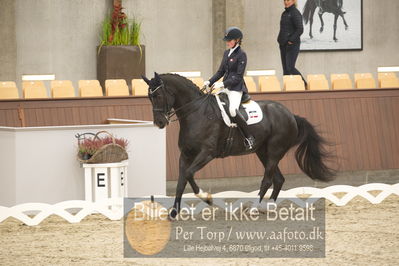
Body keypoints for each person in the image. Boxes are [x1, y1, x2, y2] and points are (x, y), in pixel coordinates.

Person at [204, 27, 255, 150]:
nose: (227, 42)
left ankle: (249, 137)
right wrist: (210, 81)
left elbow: (238, 77)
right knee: (214, 105)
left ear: (237, 40)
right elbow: (221, 71)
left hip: (236, 88)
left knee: (232, 110)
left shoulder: (242, 55)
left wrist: (222, 84)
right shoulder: (227, 53)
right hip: (225, 86)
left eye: (230, 40)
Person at [277, 0, 307, 87]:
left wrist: (291, 40)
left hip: (292, 45)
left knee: (290, 68)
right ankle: (288, 88)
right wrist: (279, 39)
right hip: (283, 44)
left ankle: (304, 84)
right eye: (285, 0)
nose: (286, 2)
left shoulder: (295, 13)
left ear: (293, 1)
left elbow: (300, 29)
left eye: (288, 0)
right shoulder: (284, 13)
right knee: (285, 70)